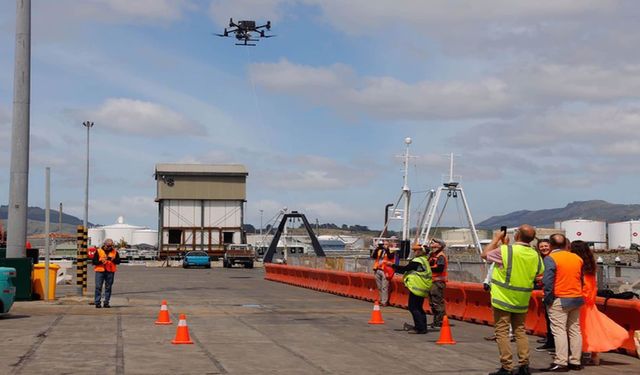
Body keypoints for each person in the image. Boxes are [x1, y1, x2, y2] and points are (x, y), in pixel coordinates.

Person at [481, 224, 543, 375]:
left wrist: (496, 239)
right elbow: (539, 274)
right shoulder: (535, 254)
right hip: (522, 299)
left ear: (517, 236)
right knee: (520, 331)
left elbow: (485, 255)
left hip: (503, 297)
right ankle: (524, 365)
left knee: (501, 332)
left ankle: (507, 366)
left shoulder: (506, 250)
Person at [570, 240, 627, 365]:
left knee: (579, 329)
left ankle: (579, 354)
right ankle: (594, 355)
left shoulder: (576, 264)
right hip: (590, 302)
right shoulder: (591, 266)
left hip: (580, 301)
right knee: (592, 328)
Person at [541, 234, 584, 372]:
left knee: (559, 331)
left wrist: (548, 298)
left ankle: (561, 361)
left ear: (551, 245)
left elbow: (548, 281)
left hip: (559, 298)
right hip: (576, 297)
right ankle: (576, 360)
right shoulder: (577, 258)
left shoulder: (551, 258)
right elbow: (580, 278)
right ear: (566, 244)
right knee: (575, 330)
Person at [392, 243, 432, 334]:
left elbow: (405, 269)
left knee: (413, 307)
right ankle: (423, 327)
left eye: (416, 250)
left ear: (421, 251)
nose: (414, 252)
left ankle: (420, 328)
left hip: (417, 287)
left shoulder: (418, 261)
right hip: (422, 287)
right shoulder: (424, 260)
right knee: (419, 308)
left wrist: (393, 266)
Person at [535, 239, 555, 352]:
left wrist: (542, 279)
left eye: (546, 246)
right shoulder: (542, 259)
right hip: (545, 290)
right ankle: (550, 340)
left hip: (552, 292)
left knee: (552, 319)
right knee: (548, 318)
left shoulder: (551, 259)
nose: (544, 248)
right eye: (541, 246)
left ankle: (552, 342)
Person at [93, 238, 121, 308]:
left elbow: (118, 261)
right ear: (104, 244)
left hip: (110, 272)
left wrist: (113, 260)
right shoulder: (98, 251)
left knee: (108, 287)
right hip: (100, 271)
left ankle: (106, 302)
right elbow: (94, 262)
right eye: (108, 246)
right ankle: (97, 302)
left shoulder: (115, 252)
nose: (109, 247)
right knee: (98, 287)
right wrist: (101, 261)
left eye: (111, 246)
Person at [428, 238, 448, 328]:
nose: (432, 243)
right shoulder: (432, 255)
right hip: (432, 281)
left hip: (438, 282)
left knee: (437, 302)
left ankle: (440, 322)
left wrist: (428, 269)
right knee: (433, 303)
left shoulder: (440, 256)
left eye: (434, 242)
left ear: (440, 245)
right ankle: (437, 321)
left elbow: (439, 268)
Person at [371, 240, 395, 306]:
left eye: (386, 244)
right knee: (379, 287)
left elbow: (390, 257)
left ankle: (384, 302)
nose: (384, 246)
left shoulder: (391, 251)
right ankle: (381, 300)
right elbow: (373, 256)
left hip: (385, 270)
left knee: (384, 287)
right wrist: (377, 249)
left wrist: (386, 249)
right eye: (383, 244)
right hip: (378, 269)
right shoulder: (379, 251)